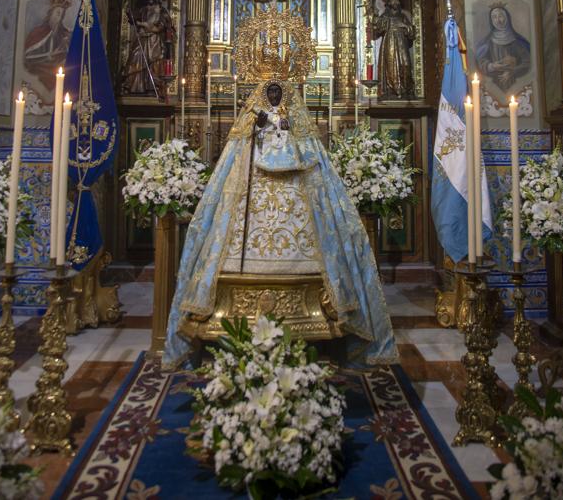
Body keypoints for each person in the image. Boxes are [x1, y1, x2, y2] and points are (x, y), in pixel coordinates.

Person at [163, 78, 397, 370]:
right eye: (270, 92)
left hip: (293, 176)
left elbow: (295, 134)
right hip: (254, 177)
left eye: (277, 92)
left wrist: (284, 125)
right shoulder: (256, 116)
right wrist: (257, 125)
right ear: (263, 94)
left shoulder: (290, 114)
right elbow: (249, 134)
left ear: (284, 94)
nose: (273, 95)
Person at [122, 0, 173, 94]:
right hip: (142, 38)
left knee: (153, 63)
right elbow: (134, 20)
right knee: (136, 57)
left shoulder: (160, 10)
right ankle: (134, 86)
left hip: (154, 40)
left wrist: (146, 26)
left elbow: (163, 25)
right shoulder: (143, 9)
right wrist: (128, 11)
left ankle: (151, 87)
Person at [24, 0, 72, 92]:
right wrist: (47, 56)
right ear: (51, 13)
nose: (59, 18)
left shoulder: (64, 34)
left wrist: (66, 45)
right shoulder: (38, 32)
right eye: (58, 14)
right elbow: (28, 57)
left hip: (58, 70)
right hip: (40, 69)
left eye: (62, 15)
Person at [476, 5, 530, 91]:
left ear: (507, 18)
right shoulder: (488, 42)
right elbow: (480, 61)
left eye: (500, 16)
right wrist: (492, 66)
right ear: (491, 21)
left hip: (515, 86)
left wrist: (512, 71)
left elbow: (527, 62)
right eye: (494, 17)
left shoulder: (516, 41)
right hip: (492, 86)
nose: (498, 20)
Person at [373, 0, 415, 99]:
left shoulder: (402, 17)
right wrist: (376, 16)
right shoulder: (385, 16)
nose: (395, 3)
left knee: (405, 64)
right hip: (390, 42)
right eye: (393, 1)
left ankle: (405, 89)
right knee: (391, 66)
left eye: (397, 1)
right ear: (389, 3)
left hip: (402, 43)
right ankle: (392, 90)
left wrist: (405, 27)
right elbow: (378, 28)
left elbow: (411, 32)